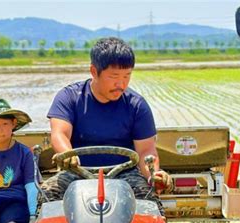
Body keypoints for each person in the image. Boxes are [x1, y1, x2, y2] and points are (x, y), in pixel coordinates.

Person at [44, 37, 171, 210]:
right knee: (48, 192)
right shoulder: (69, 97)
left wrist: (153, 175)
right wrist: (67, 154)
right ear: (94, 71)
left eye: (127, 76)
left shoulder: (136, 105)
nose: (121, 84)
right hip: (79, 171)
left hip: (124, 173)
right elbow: (59, 133)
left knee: (146, 197)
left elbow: (146, 150)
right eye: (114, 77)